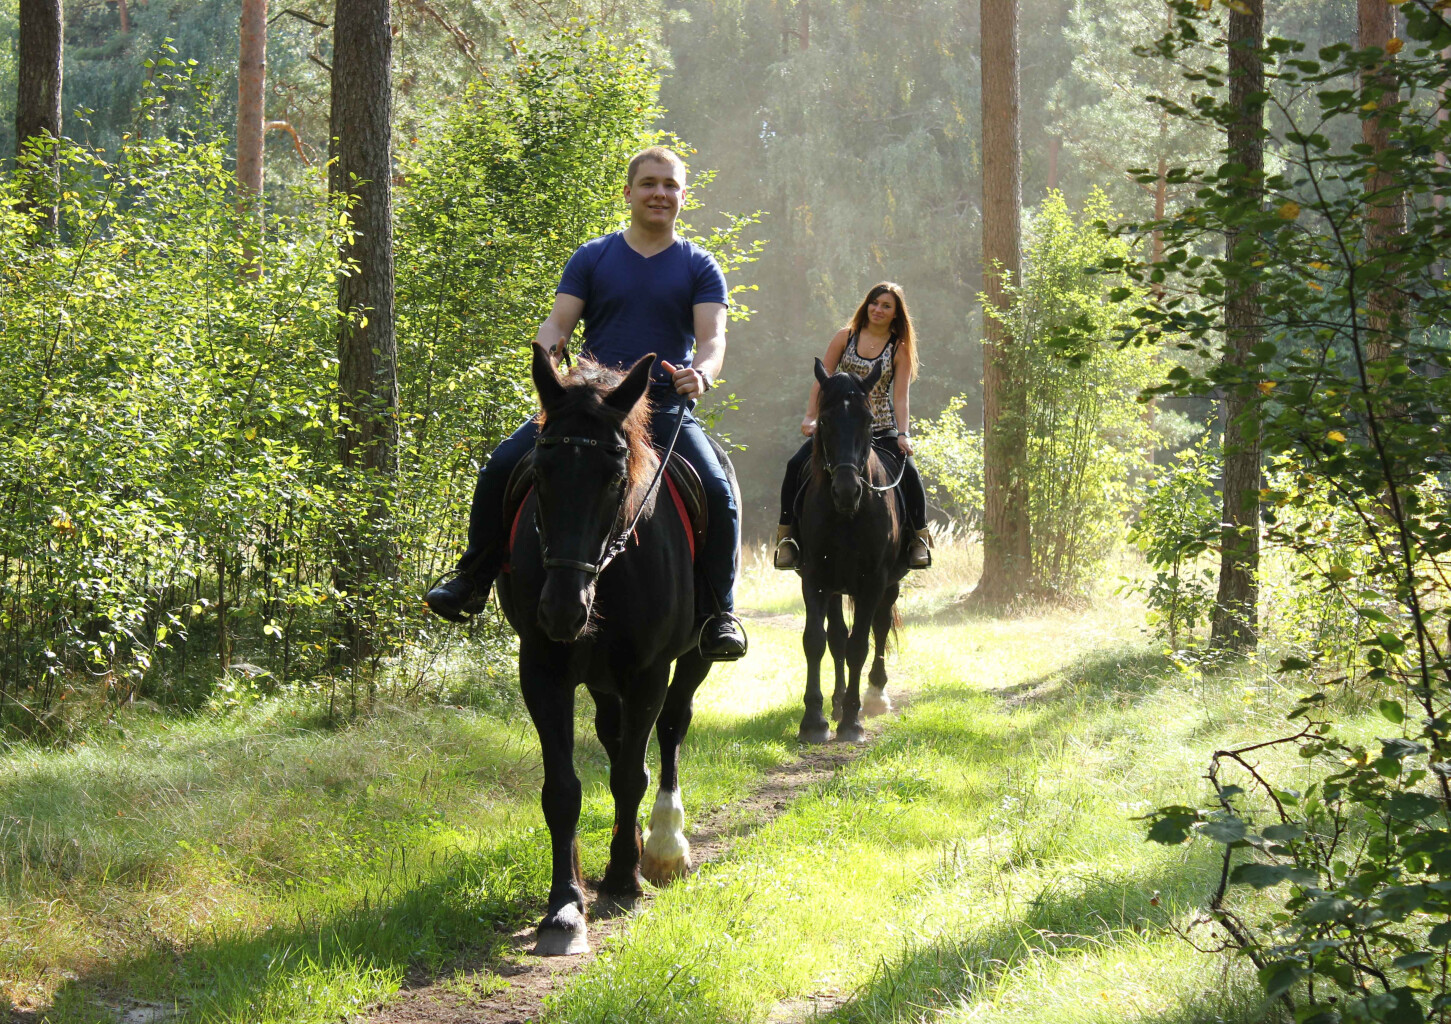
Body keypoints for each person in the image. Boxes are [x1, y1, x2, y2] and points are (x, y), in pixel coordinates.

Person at [425, 146, 747, 660]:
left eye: (670, 185)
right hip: (586, 409)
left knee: (718, 492)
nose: (659, 193)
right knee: (500, 466)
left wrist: (703, 373)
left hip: (661, 407)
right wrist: (548, 351)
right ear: (628, 192)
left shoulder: (699, 265)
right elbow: (558, 323)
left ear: (683, 196)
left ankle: (719, 613)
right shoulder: (594, 255)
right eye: (648, 183)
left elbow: (712, 339)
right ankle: (472, 580)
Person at [773, 282, 932, 570]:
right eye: (874, 303)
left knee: (909, 472)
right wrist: (811, 416)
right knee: (795, 464)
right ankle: (787, 537)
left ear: (896, 313)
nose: (878, 309)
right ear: (866, 305)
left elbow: (900, 396)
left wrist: (904, 434)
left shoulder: (899, 348)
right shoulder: (845, 337)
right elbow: (822, 379)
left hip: (879, 427)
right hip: (839, 428)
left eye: (886, 306)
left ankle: (917, 538)